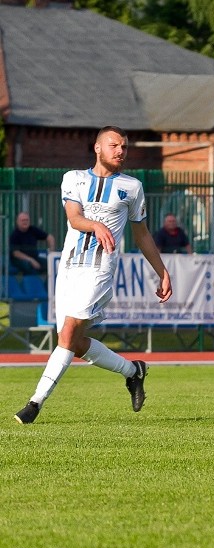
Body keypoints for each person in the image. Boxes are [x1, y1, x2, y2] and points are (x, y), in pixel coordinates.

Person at [13, 126, 173, 425]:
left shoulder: (132, 187)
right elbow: (74, 218)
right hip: (70, 267)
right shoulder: (74, 178)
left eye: (124, 147)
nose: (121, 151)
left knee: (68, 335)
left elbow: (142, 235)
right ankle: (132, 371)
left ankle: (34, 403)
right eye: (114, 145)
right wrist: (95, 225)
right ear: (97, 148)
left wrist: (162, 272)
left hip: (100, 270)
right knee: (72, 340)